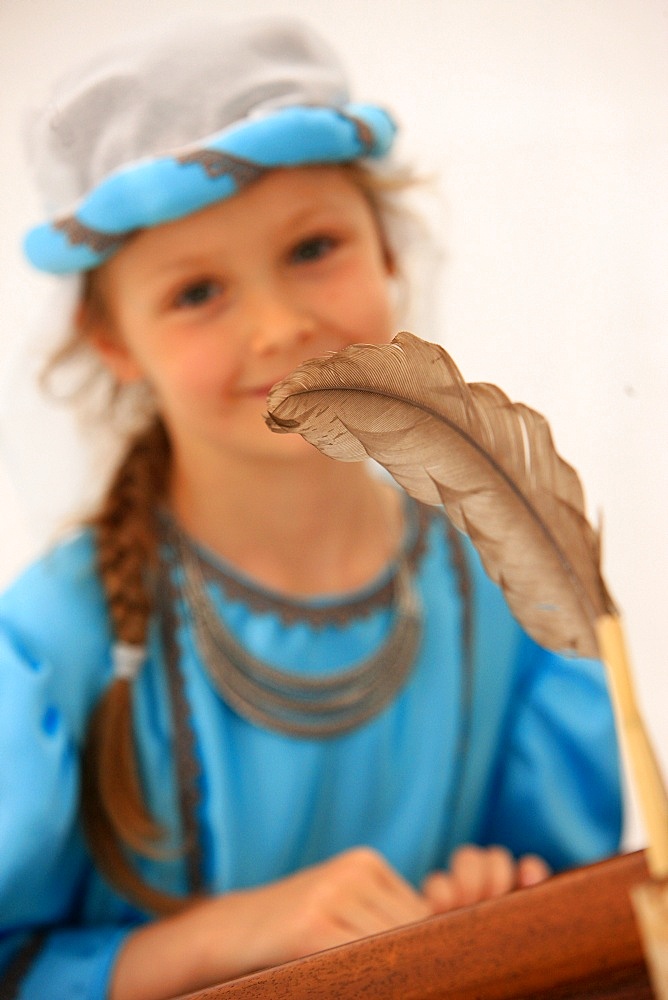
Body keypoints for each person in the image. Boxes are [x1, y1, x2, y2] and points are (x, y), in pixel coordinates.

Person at [0, 16, 622, 1000]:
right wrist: (235, 936)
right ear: (112, 340)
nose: (279, 326)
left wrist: (487, 916)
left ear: (386, 251)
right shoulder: (50, 645)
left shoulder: (508, 586)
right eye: (197, 290)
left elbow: (583, 930)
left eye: (313, 247)